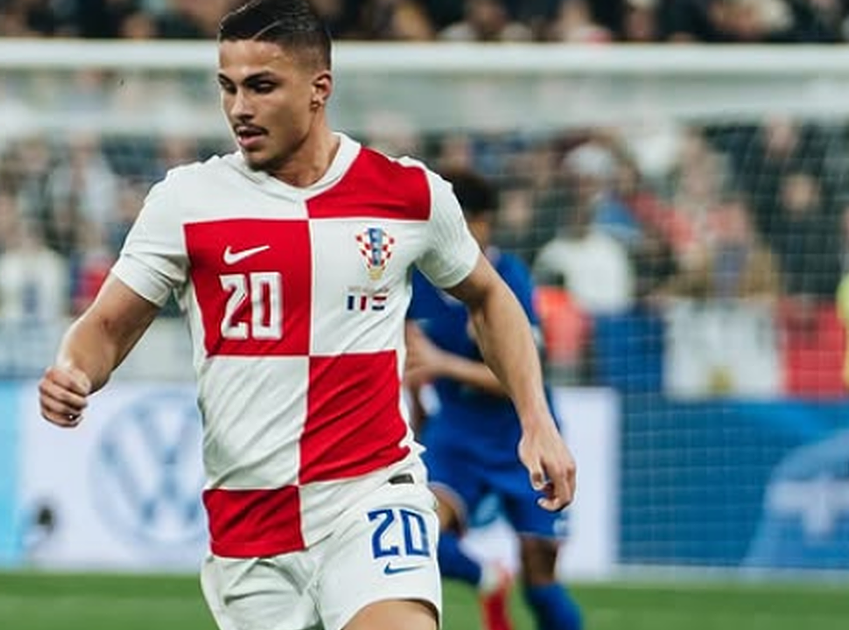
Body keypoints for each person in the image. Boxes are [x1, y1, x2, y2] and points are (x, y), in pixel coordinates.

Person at [36, 1, 576, 629]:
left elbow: (490, 297)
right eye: (228, 87)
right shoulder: (186, 202)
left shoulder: (407, 194)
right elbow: (106, 327)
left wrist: (536, 420)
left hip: (370, 495)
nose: (240, 108)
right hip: (250, 521)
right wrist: (74, 369)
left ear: (320, 89)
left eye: (262, 86)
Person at [404, 171, 583, 630]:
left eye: (464, 221)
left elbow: (522, 378)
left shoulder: (508, 280)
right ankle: (487, 577)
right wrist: (418, 417)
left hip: (518, 434)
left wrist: (445, 364)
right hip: (456, 434)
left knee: (540, 579)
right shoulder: (418, 281)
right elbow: (412, 359)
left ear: (485, 223)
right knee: (422, 532)